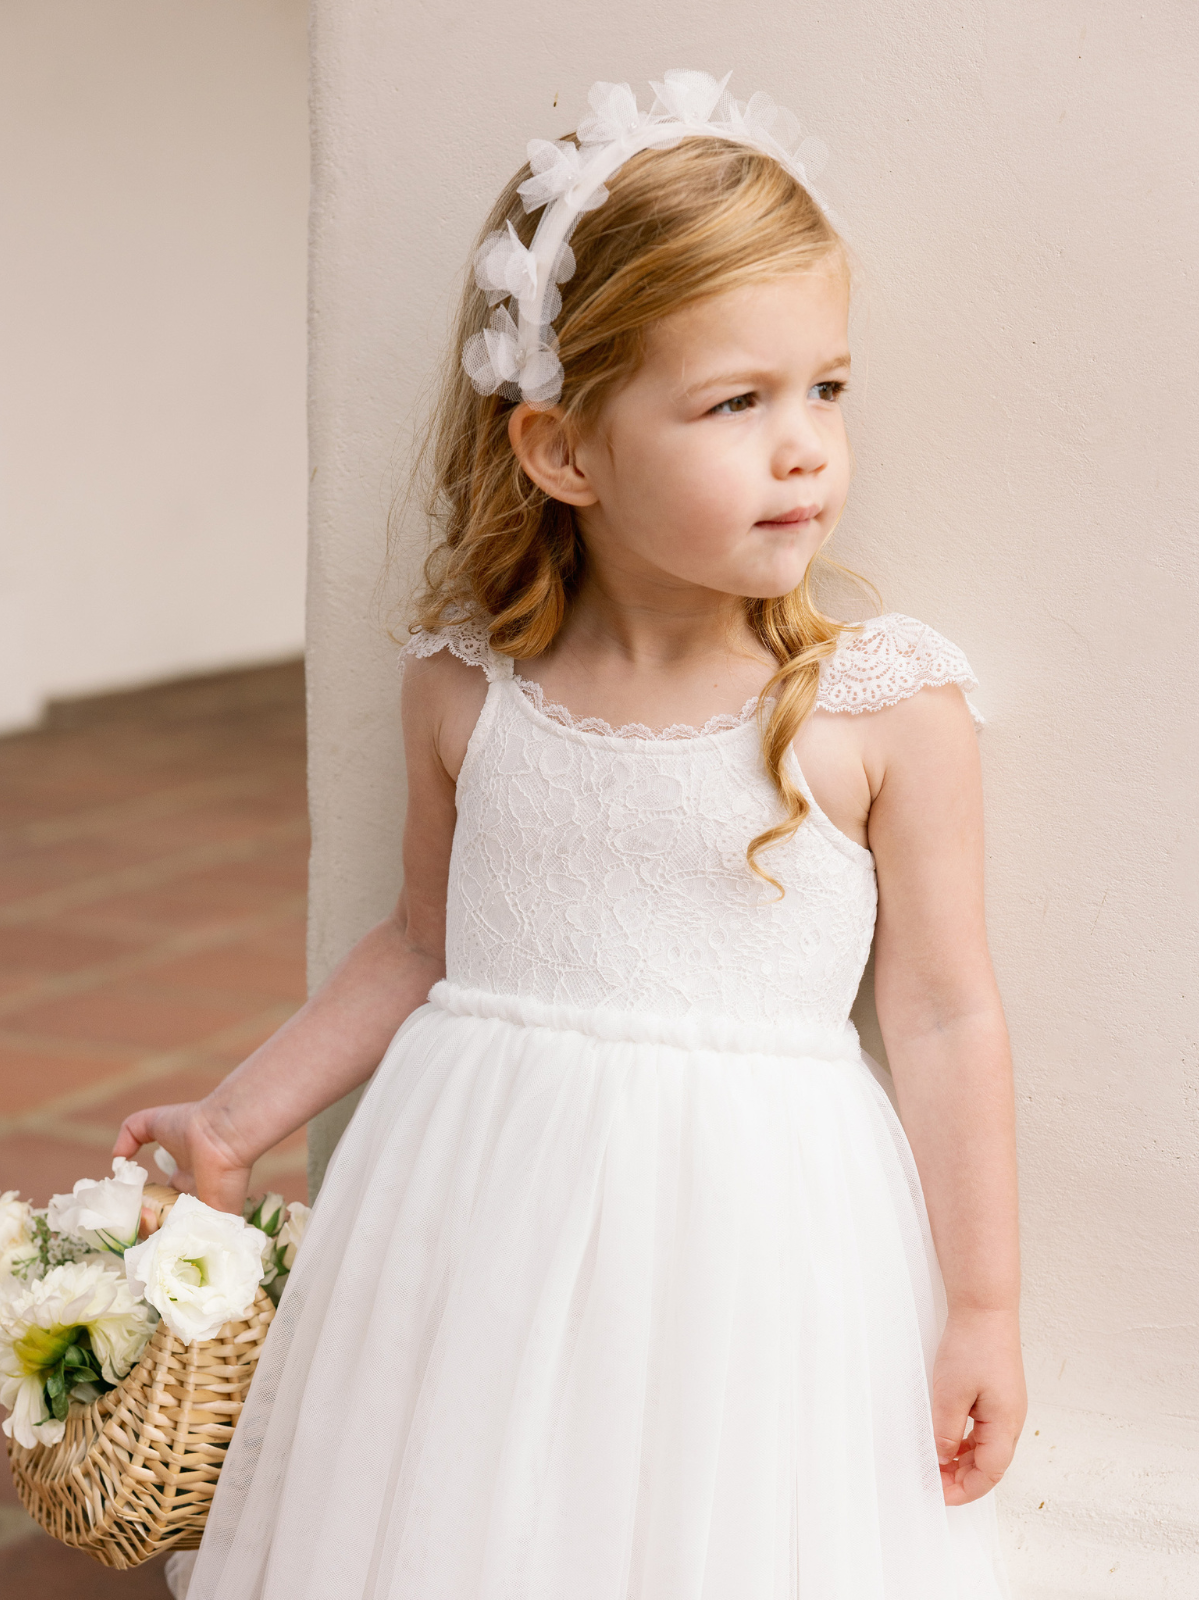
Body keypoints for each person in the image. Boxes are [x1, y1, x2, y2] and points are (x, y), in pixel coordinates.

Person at [118, 70, 1024, 1600]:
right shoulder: (470, 693)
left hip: (755, 1238)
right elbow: (419, 943)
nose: (803, 446)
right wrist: (234, 1121)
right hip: (482, 1198)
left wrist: (984, 1306)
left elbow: (941, 1013)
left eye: (826, 388)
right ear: (562, 452)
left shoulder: (877, 710)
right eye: (737, 403)